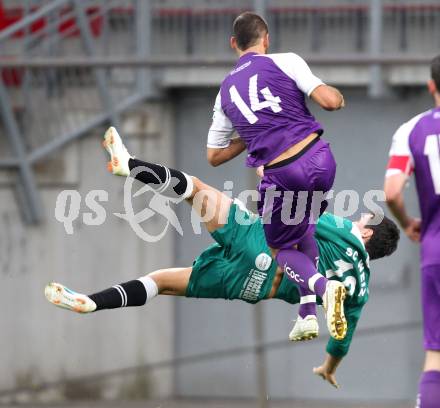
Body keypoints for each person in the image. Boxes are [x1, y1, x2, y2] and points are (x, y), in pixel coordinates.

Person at [46, 128, 400, 388]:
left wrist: (271, 175)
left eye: (363, 219)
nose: (357, 219)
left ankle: (128, 164)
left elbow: (297, 211)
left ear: (366, 233)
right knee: (163, 282)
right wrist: (329, 367)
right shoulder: (361, 289)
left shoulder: (341, 231)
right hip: (254, 287)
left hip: (259, 244)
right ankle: (91, 302)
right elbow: (342, 340)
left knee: (195, 190)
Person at [205, 11, 346, 340]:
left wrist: (249, 135)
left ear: (233, 44)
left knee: (279, 247)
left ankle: (325, 290)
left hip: (283, 173)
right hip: (321, 159)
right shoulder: (287, 60)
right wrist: (339, 99)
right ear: (266, 40)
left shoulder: (225, 91)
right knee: (305, 225)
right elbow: (328, 101)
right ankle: (307, 315)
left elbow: (213, 156)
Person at [384, 55, 440, 408]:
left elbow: (391, 192)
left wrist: (407, 224)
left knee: (435, 354)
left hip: (435, 250)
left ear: (432, 85)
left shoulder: (412, 130)